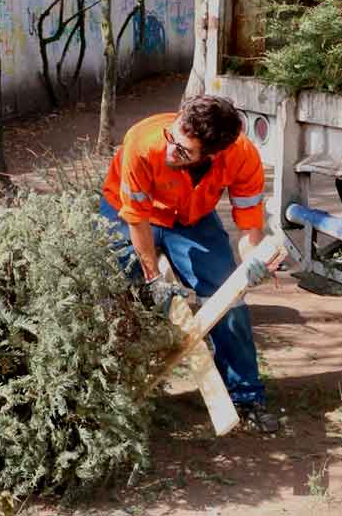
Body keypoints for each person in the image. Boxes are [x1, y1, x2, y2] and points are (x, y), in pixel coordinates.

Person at [99, 95, 283, 433]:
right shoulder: (143, 142)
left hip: (190, 218)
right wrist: (153, 279)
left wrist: (251, 263)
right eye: (173, 138)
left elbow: (249, 229)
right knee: (112, 293)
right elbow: (136, 220)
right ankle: (105, 397)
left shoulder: (242, 157)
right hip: (127, 213)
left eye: (184, 152)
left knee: (231, 298)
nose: (172, 151)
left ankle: (246, 396)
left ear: (212, 155)